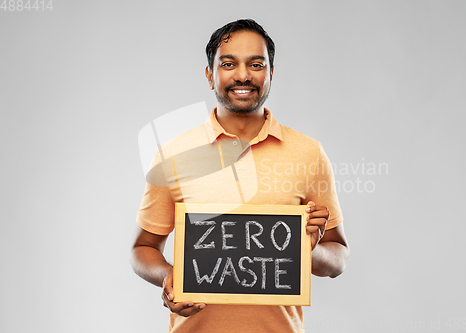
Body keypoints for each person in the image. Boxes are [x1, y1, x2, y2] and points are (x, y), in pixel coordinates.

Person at [131, 18, 349, 332]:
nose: (243, 75)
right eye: (229, 63)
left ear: (271, 73)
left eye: (256, 64)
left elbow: (338, 258)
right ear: (210, 75)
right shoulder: (173, 156)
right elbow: (142, 249)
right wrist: (169, 278)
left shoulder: (308, 153)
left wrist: (307, 252)